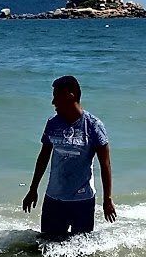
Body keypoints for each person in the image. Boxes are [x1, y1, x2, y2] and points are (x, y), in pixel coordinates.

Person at [22, 75, 115, 239]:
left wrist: (107, 199)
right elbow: (43, 157)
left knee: (80, 252)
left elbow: (105, 164)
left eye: (56, 96)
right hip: (54, 199)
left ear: (70, 95)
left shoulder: (93, 126)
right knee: (49, 248)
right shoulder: (53, 123)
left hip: (83, 201)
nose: (53, 102)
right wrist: (33, 189)